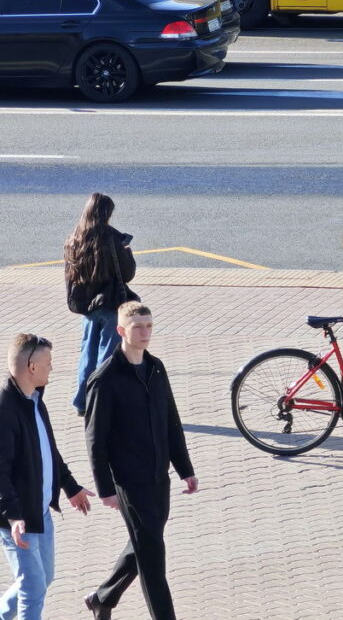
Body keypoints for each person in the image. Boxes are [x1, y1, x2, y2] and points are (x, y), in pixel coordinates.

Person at [84, 302, 198, 620]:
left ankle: (102, 597)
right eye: (138, 327)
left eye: (149, 325)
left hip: (159, 477)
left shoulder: (156, 368)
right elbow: (95, 440)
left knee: (145, 542)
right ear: (121, 330)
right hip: (129, 481)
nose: (145, 333)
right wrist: (105, 488)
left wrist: (185, 469)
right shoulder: (105, 378)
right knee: (153, 561)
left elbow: (171, 422)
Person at [0, 334, 93, 620]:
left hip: (40, 513)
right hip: (19, 518)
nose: (52, 368)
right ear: (31, 367)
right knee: (33, 588)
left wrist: (71, 486)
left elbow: (48, 450)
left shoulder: (34, 400)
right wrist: (13, 516)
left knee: (44, 578)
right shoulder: (5, 410)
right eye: (48, 363)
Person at [65, 192, 137, 417]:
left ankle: (81, 401)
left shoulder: (75, 240)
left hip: (88, 308)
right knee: (108, 356)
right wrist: (127, 253)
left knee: (87, 353)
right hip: (111, 305)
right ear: (107, 213)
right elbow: (127, 274)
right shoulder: (112, 239)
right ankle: (101, 400)